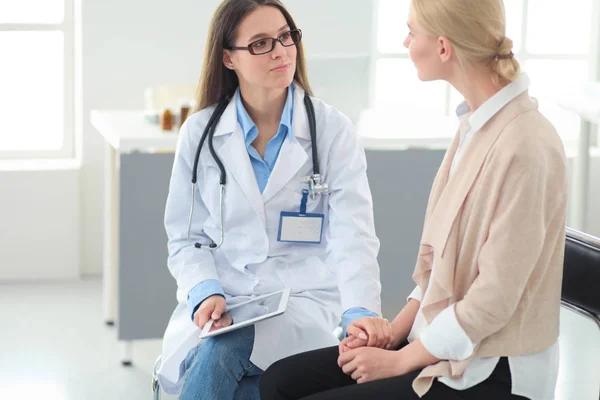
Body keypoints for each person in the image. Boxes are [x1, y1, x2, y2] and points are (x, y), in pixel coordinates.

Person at [259, 0, 568, 399]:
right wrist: (394, 332)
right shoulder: (475, 126)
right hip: (437, 342)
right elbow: (439, 268)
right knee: (279, 383)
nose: (406, 42)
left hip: (491, 365)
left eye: (412, 32)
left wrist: (403, 361)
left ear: (443, 48)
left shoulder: (525, 145)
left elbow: (493, 301)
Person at [156, 0, 382, 399]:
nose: (280, 51)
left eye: (285, 37)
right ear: (228, 58)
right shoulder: (200, 133)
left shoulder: (332, 131)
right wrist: (205, 290)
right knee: (244, 386)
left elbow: (354, 237)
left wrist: (359, 312)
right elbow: (186, 237)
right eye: (260, 43)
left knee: (220, 352)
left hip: (302, 301)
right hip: (226, 300)